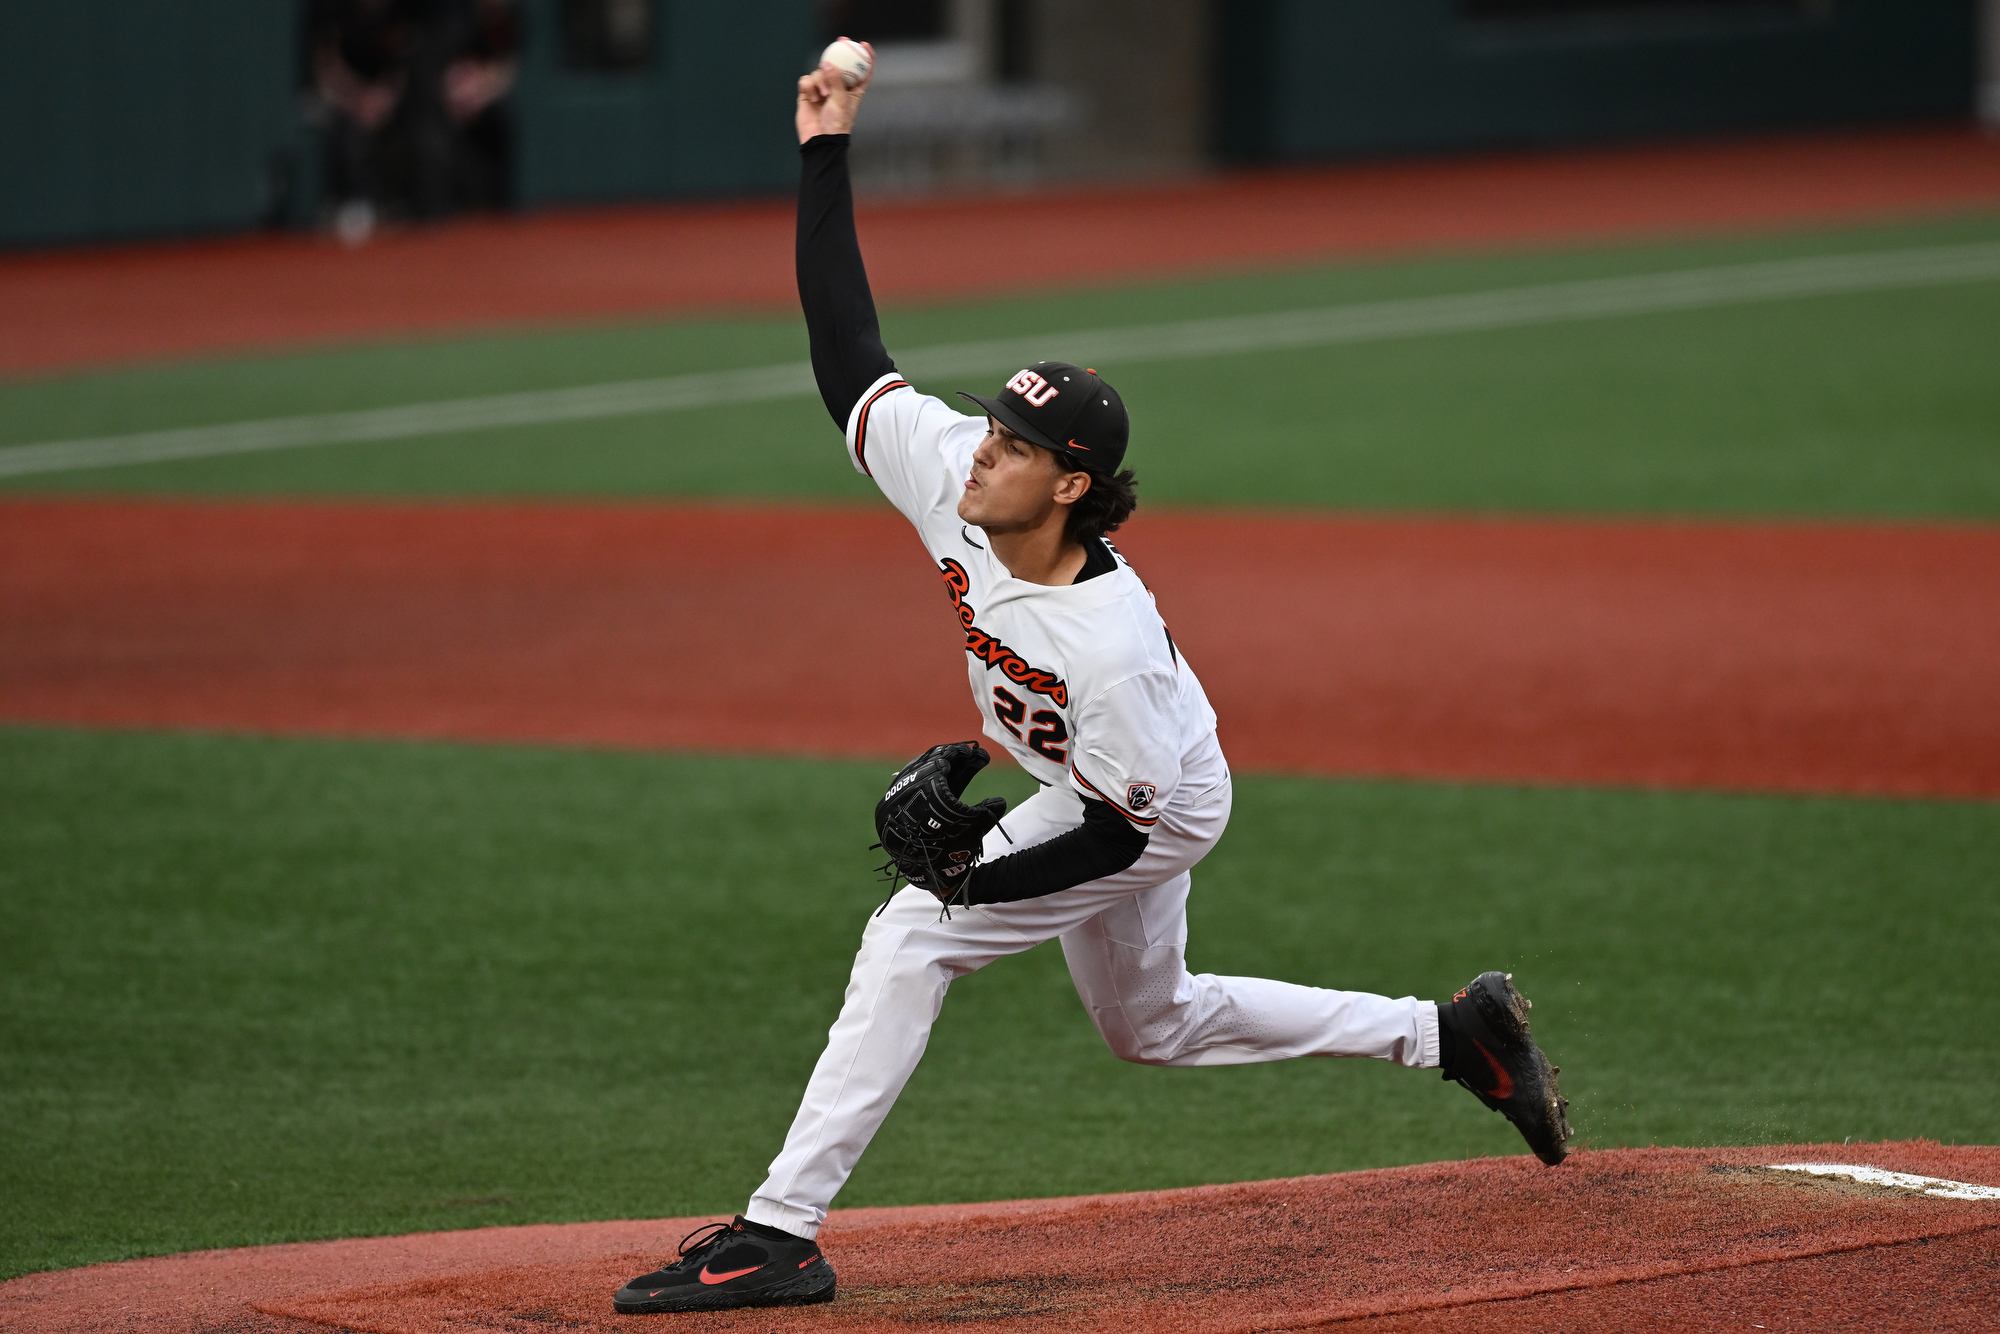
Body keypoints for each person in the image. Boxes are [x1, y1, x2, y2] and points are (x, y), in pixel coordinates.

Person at [611, 44, 1573, 1318]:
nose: (978, 454)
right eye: (987, 429)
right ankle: (1451, 1036)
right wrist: (823, 147)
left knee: (909, 941)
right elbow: (847, 350)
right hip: (1091, 777)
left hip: (1151, 796)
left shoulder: (1105, 640)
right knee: (1150, 1023)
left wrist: (964, 876)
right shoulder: (955, 478)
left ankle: (779, 1231)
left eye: (1011, 447)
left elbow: (1118, 827)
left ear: (1068, 484)